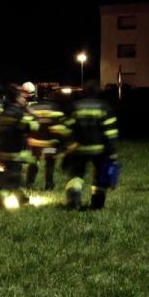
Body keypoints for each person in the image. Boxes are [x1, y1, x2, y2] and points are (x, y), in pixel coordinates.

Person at [58, 82, 119, 210]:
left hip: (79, 149)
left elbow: (67, 129)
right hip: (100, 150)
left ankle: (74, 202)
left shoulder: (75, 107)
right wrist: (112, 151)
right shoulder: (104, 107)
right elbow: (110, 132)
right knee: (100, 177)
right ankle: (97, 204)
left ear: (83, 92)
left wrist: (67, 146)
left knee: (76, 176)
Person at [0, 85, 38, 209]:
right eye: (22, 97)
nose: (24, 99)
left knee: (12, 179)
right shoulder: (19, 114)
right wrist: (33, 116)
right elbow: (32, 128)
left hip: (1, 154)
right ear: (17, 98)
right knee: (11, 181)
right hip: (14, 155)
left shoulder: (2, 114)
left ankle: (23, 200)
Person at [22, 82, 66, 190]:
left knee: (34, 162)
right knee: (49, 163)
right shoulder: (55, 107)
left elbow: (26, 125)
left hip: (35, 143)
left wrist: (27, 137)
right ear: (50, 94)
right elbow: (60, 126)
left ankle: (29, 184)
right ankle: (49, 186)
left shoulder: (32, 107)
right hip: (50, 144)